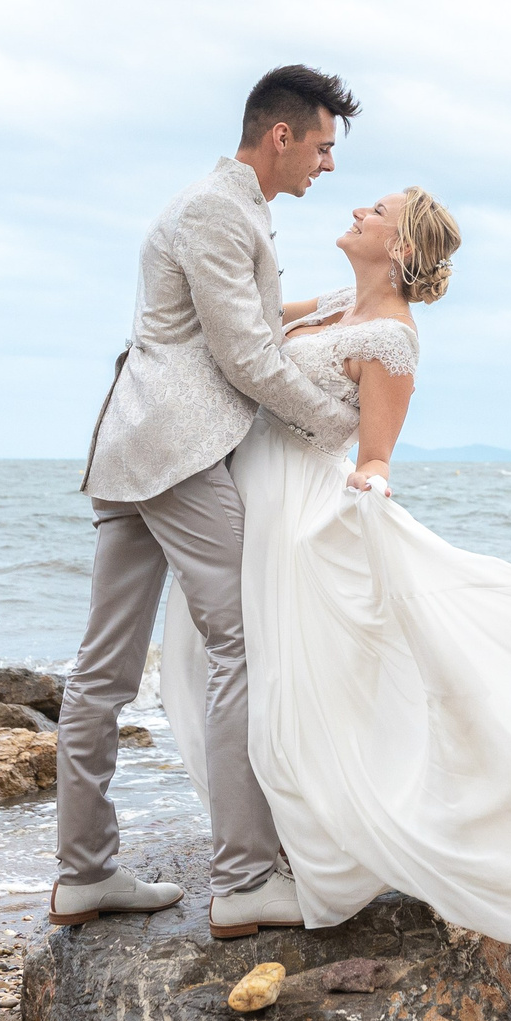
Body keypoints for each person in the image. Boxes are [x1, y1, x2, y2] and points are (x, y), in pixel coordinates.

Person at [155, 185, 511, 1017]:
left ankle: (319, 844)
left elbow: (379, 449)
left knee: (300, 685)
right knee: (250, 672)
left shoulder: (392, 339)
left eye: (377, 209)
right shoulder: (328, 301)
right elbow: (239, 324)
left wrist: (374, 477)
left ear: (398, 248)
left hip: (301, 518)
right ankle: (269, 842)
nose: (358, 207)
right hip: (251, 506)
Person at [50, 65, 363, 938]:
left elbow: (241, 317)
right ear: (281, 136)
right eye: (324, 147)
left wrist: (332, 305)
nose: (328, 166)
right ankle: (244, 878)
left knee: (104, 669)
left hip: (132, 448)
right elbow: (245, 359)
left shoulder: (223, 209)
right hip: (181, 456)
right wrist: (340, 424)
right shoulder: (220, 211)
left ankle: (83, 874)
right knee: (243, 648)